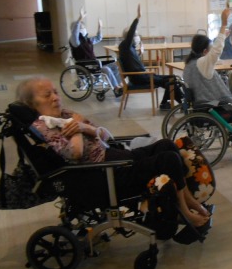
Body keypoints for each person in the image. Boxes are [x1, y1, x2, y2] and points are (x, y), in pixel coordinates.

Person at [15, 76, 212, 240]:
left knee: (166, 145)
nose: (55, 97)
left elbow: (103, 135)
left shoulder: (65, 114)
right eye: (47, 94)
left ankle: (189, 203)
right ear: (32, 104)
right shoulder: (45, 128)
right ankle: (185, 212)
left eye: (56, 92)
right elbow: (74, 154)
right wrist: (76, 130)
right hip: (103, 174)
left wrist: (83, 127)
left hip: (114, 157)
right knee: (168, 159)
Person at [183, 8, 232, 156]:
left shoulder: (189, 65)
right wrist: (223, 24)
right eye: (209, 49)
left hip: (201, 105)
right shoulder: (203, 63)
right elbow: (217, 49)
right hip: (212, 107)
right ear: (205, 52)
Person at [118, 4, 182, 110]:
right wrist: (137, 18)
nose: (137, 37)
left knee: (171, 78)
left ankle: (168, 103)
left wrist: (139, 53)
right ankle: (181, 102)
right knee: (171, 79)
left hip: (141, 76)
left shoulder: (128, 48)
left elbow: (130, 62)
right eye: (135, 35)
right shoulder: (125, 45)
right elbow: (131, 33)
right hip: (140, 77)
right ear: (129, 36)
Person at [69, 7, 123, 97]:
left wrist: (100, 28)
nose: (84, 29)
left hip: (94, 64)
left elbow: (98, 38)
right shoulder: (75, 41)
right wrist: (79, 19)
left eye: (84, 27)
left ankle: (120, 85)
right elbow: (74, 33)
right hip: (87, 66)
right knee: (107, 69)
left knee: (117, 65)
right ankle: (116, 88)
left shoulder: (87, 40)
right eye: (81, 28)